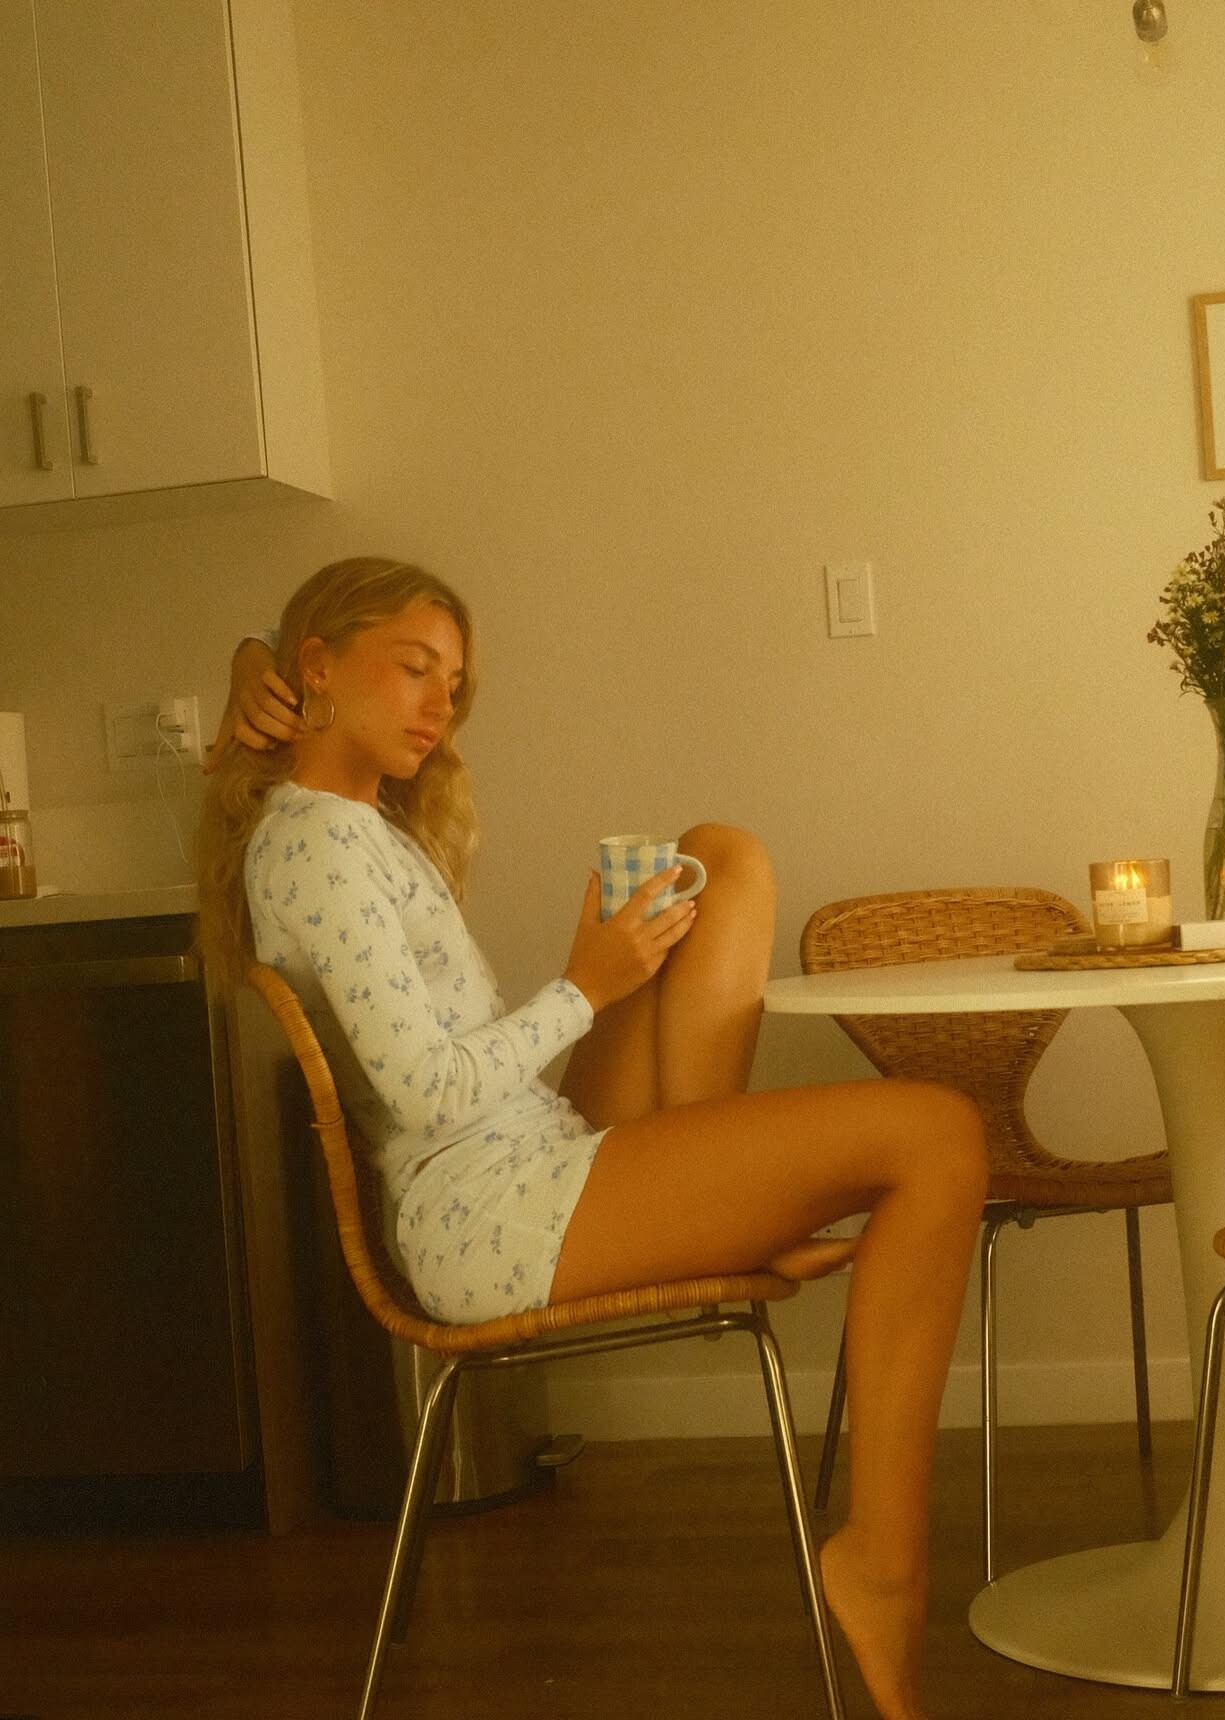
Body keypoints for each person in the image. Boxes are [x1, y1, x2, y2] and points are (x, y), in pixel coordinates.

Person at [197, 556, 987, 1720]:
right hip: (485, 1212)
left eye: (455, 684)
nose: (439, 704)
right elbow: (426, 1091)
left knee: (718, 858)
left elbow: (460, 1066)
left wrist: (606, 972)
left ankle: (722, 1195)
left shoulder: (363, 827)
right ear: (316, 667)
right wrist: (587, 984)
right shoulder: (313, 845)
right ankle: (880, 1563)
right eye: (414, 669)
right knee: (939, 1134)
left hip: (531, 1153)